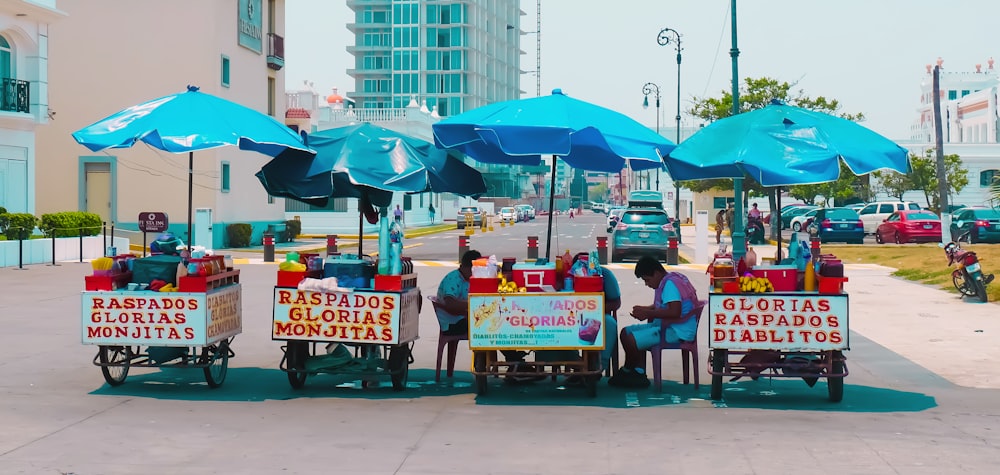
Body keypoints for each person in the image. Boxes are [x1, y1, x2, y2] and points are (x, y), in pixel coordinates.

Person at [609, 256, 699, 388]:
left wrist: (648, 313)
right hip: (670, 326)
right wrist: (646, 309)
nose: (647, 284)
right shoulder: (672, 278)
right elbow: (664, 305)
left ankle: (633, 371)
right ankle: (634, 370)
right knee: (625, 332)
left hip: (677, 331)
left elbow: (675, 311)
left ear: (656, 273)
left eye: (647, 280)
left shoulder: (670, 285)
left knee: (630, 340)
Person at [435, 250, 481, 335]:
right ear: (469, 268)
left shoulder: (468, 278)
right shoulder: (453, 279)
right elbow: (450, 303)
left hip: (461, 318)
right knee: (483, 325)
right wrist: (473, 304)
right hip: (452, 323)